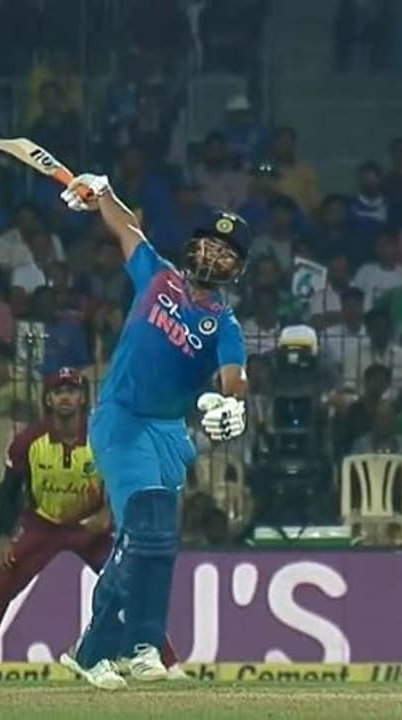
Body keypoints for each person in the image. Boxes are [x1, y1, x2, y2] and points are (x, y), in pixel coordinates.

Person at [52, 171, 249, 689]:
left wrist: (232, 404)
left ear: (236, 270)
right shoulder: (156, 276)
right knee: (144, 529)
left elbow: (235, 378)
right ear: (193, 247)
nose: (213, 257)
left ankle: (140, 648)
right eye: (209, 245)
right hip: (122, 419)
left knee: (157, 542)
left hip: (166, 433)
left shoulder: (223, 325)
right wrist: (104, 192)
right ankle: (94, 650)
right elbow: (126, 228)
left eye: (226, 254)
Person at [0, 368, 180, 680]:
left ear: (82, 398)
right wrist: (2, 535)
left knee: (133, 586)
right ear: (48, 399)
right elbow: (9, 491)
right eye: (59, 392)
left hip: (90, 528)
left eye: (71, 391)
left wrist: (107, 514)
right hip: (43, 525)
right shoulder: (29, 441)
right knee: (0, 587)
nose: (66, 398)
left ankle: (169, 663)